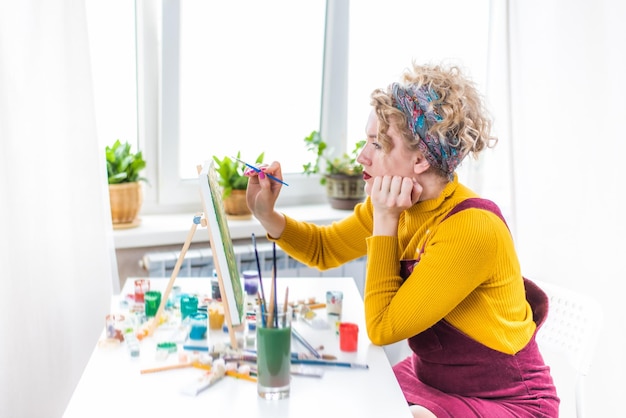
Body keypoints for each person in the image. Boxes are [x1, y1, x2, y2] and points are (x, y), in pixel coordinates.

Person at [244, 62, 559, 417]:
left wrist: (385, 219)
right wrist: (267, 215)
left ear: (421, 159)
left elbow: (382, 328)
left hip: (509, 401)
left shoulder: (470, 228)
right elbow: (324, 248)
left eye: (377, 144)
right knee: (355, 396)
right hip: (432, 382)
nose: (362, 156)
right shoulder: (399, 203)